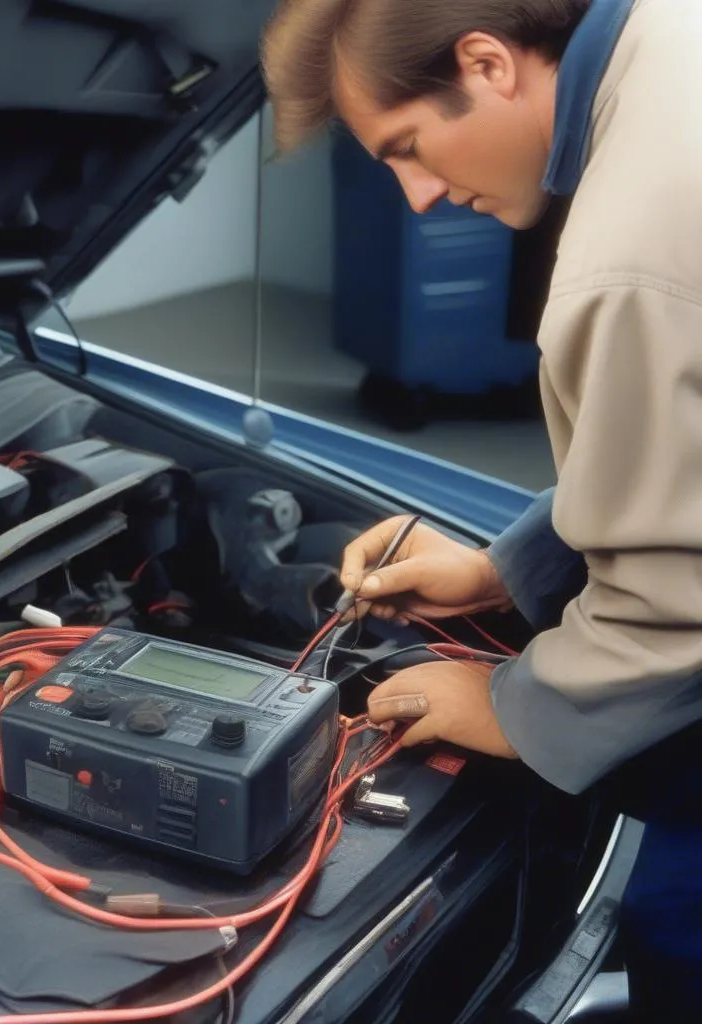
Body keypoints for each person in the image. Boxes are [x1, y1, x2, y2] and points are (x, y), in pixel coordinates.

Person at [263, 0, 702, 1017]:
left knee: (679, 928)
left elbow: (682, 597)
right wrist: (508, 569)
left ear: (488, 63)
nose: (417, 197)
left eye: (408, 147)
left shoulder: (625, 250)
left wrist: (506, 703)